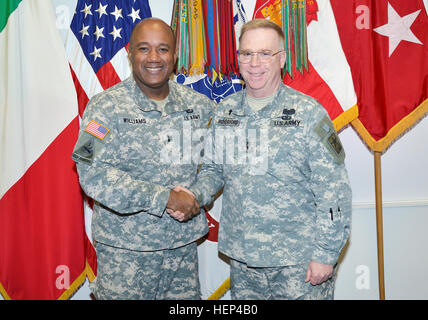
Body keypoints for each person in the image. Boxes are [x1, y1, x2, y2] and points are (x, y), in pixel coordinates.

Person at [175, 19, 352, 300]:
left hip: (298, 262)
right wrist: (192, 195)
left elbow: (334, 191)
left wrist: (326, 254)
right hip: (244, 261)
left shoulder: (308, 113)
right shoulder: (226, 112)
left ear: (281, 59)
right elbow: (212, 169)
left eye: (265, 53)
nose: (254, 62)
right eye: (246, 53)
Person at [72, 18, 214, 300]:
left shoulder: (199, 107)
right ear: (130, 55)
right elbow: (93, 174)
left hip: (181, 253)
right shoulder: (105, 107)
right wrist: (165, 198)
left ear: (175, 55)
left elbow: (216, 164)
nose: (153, 58)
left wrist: (197, 194)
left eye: (162, 49)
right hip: (125, 258)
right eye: (143, 49)